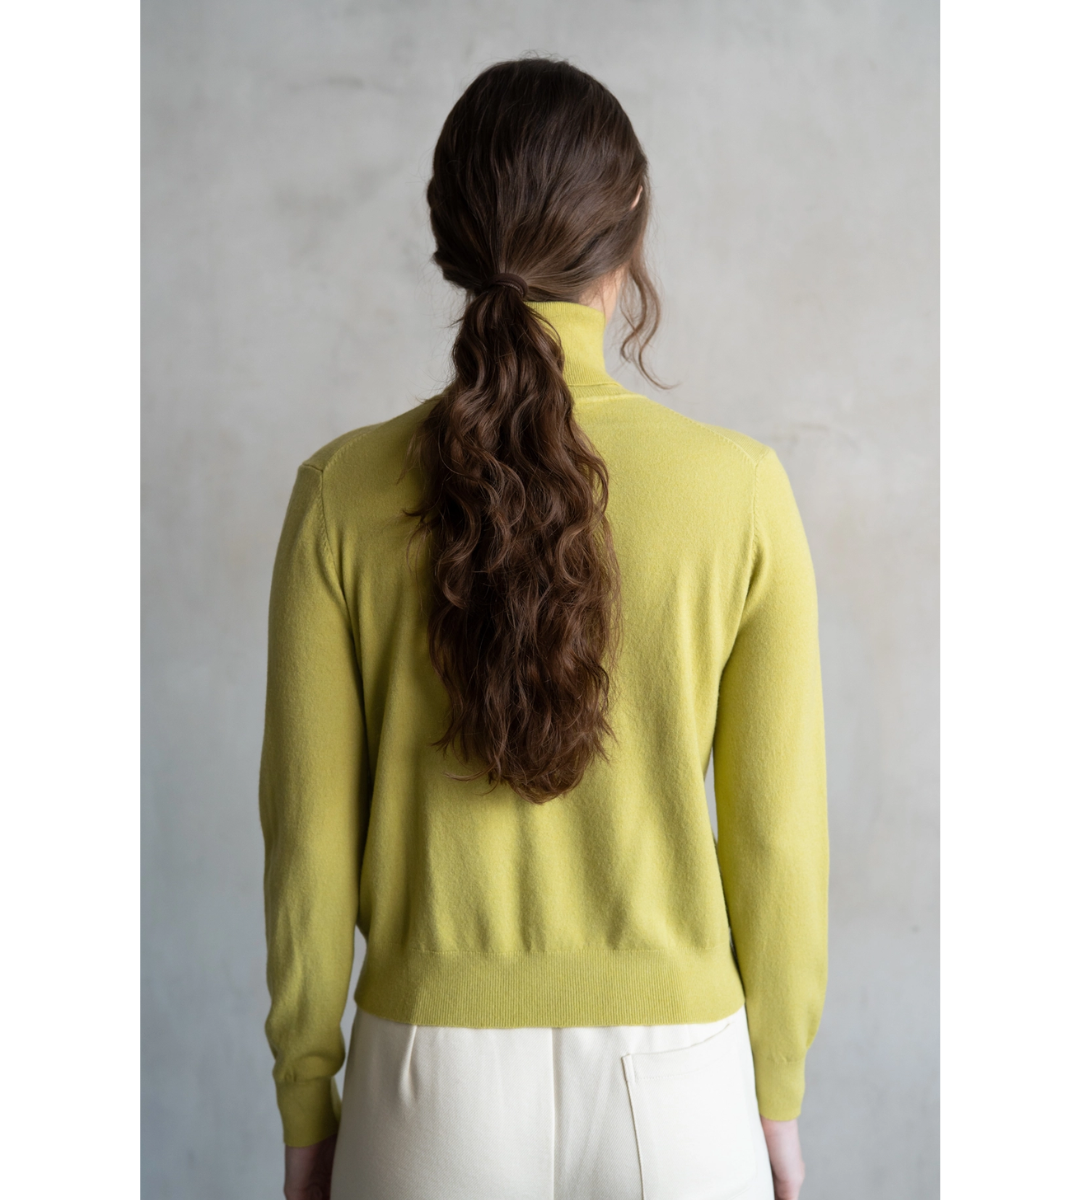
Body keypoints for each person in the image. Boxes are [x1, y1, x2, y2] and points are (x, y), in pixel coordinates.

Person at [260, 56, 828, 1200]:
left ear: (449, 234)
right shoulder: (741, 491)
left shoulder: (339, 494)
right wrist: (773, 1088)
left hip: (424, 1086)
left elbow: (308, 846)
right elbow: (775, 841)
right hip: (681, 1082)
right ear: (629, 226)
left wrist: (309, 1104)